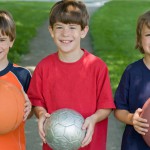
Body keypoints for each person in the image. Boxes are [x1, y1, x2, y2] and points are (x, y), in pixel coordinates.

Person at [27, 0, 115, 150]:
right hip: (55, 144)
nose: (65, 33)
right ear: (51, 31)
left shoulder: (97, 67)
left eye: (72, 27)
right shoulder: (43, 67)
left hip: (90, 143)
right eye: (59, 27)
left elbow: (106, 105)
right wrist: (41, 114)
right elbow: (37, 101)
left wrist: (94, 119)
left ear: (83, 31)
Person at [114, 10, 150, 150]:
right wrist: (131, 119)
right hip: (135, 145)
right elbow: (118, 109)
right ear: (139, 39)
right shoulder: (132, 72)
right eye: (148, 35)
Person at [0, 10, 32, 150]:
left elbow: (29, 112)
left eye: (1, 40)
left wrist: (29, 108)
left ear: (11, 41)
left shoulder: (22, 75)